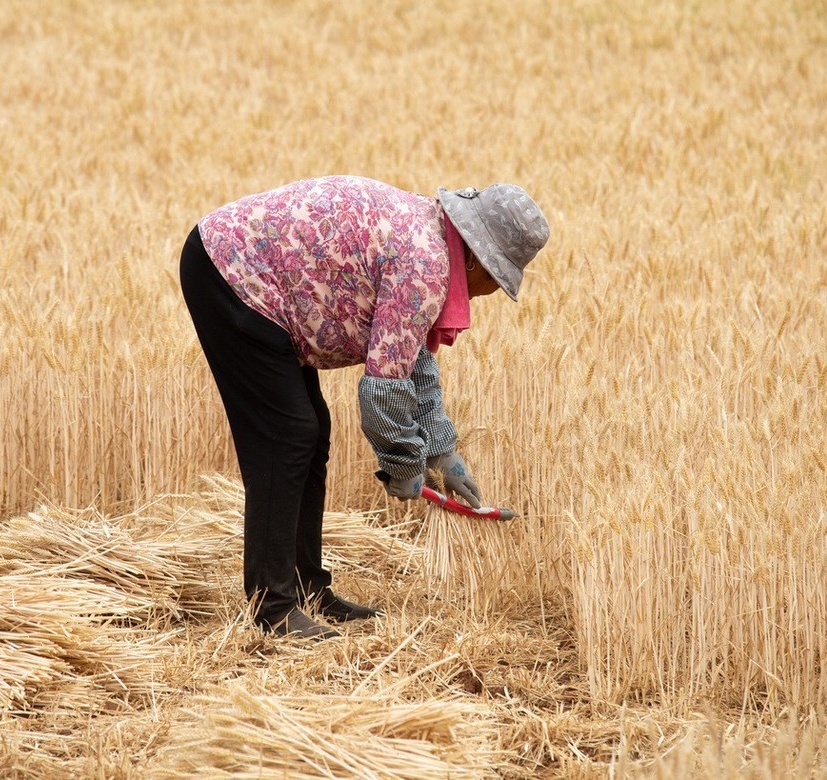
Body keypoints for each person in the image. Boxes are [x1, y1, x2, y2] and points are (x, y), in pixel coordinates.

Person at [179, 175, 550, 640]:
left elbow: (412, 360)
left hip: (250, 273)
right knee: (287, 435)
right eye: (497, 276)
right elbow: (383, 390)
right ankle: (273, 610)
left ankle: (308, 589)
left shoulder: (433, 238)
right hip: (231, 272)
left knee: (310, 433)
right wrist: (403, 464)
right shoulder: (426, 264)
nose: (489, 291)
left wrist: (441, 452)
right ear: (475, 258)